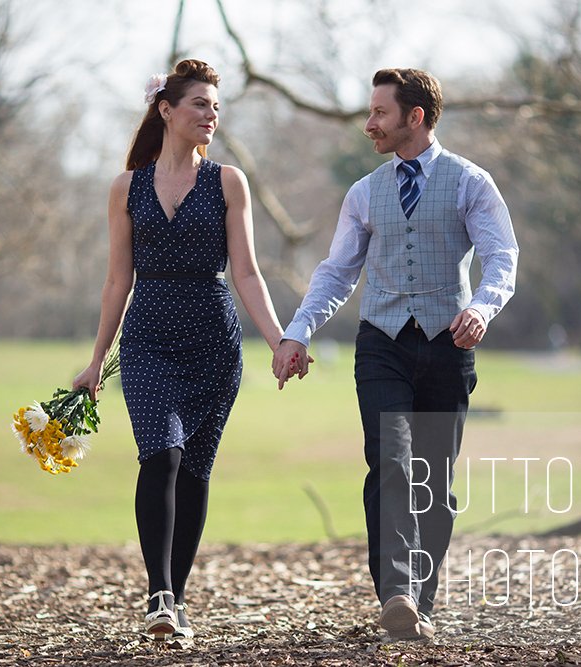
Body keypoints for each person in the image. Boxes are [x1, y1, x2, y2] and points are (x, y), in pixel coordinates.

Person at [273, 68, 519, 640]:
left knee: (435, 479)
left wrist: (482, 308)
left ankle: (420, 605)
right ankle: (397, 592)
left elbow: (501, 256)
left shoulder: (469, 183)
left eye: (380, 113)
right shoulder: (363, 193)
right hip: (381, 343)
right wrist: (298, 330)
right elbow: (337, 271)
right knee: (390, 461)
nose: (369, 124)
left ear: (416, 117)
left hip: (448, 344)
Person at [73, 59, 288, 641]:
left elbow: (246, 273)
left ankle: (178, 601)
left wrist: (278, 339)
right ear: (166, 110)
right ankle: (158, 592)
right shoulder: (127, 188)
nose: (210, 115)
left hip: (213, 343)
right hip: (146, 341)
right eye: (199, 104)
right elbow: (117, 280)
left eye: (216, 107)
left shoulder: (228, 182)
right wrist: (97, 361)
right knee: (160, 456)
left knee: (193, 470)